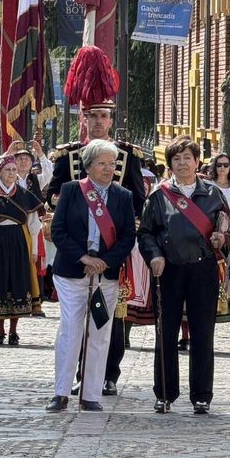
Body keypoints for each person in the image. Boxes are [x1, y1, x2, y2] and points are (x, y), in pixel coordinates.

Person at [48, 50, 146, 399]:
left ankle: (108, 374)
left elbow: (138, 198)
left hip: (114, 247)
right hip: (77, 252)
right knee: (74, 324)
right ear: (84, 118)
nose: (101, 121)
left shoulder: (127, 155)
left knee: (110, 317)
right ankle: (75, 376)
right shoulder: (70, 156)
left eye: (106, 116)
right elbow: (53, 196)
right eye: (95, 116)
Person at [139, 137, 230, 415]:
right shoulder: (159, 195)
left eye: (187, 158)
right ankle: (164, 393)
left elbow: (228, 229)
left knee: (203, 333)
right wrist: (153, 254)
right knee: (165, 332)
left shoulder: (213, 194)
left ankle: (202, 395)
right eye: (176, 159)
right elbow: (145, 232)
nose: (182, 163)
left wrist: (222, 237)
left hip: (203, 269)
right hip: (168, 269)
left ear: (197, 161)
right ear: (170, 164)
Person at [45, 139, 137, 412]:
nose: (109, 169)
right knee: (71, 331)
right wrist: (83, 258)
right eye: (102, 163)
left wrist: (104, 262)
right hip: (72, 272)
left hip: (105, 275)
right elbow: (58, 231)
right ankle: (61, 392)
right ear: (88, 165)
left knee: (99, 333)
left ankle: (90, 394)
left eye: (112, 164)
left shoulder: (123, 196)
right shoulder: (71, 191)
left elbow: (128, 236)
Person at [0, 154, 43, 344]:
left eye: (14, 170)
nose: (12, 173)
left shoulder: (24, 195)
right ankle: (0, 330)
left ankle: (14, 330)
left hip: (19, 242)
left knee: (18, 283)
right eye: (8, 170)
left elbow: (34, 225)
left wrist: (34, 250)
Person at [208, 152, 230, 227]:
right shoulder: (208, 184)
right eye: (219, 165)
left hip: (229, 229)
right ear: (215, 166)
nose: (222, 167)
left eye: (226, 165)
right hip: (210, 226)